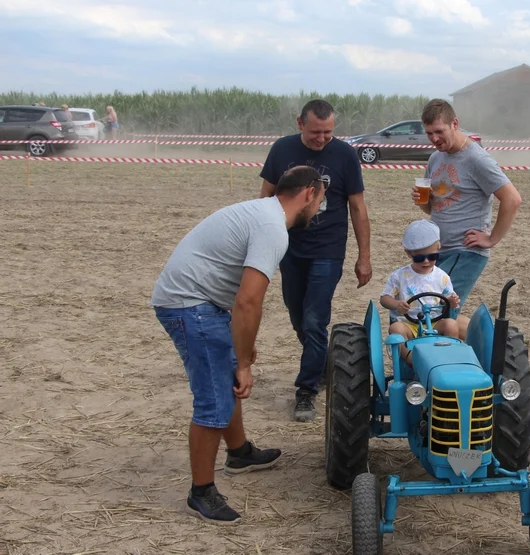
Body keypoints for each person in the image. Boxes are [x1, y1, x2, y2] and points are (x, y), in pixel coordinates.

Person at [151, 165, 327, 525]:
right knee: (214, 399)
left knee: (227, 374)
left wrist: (241, 349)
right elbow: (249, 301)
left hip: (202, 303)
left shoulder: (263, 212)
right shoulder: (272, 228)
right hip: (190, 305)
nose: (320, 208)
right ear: (309, 193)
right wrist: (244, 362)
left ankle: (240, 453)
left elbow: (238, 296)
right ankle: (201, 493)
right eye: (321, 199)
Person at [259, 99, 372, 422]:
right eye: (315, 133)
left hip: (328, 249)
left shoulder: (345, 155)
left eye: (328, 132)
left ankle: (306, 391)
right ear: (299, 123)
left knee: (314, 320)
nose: (322, 139)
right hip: (288, 247)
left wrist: (364, 256)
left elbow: (358, 208)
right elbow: (265, 198)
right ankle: (323, 366)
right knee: (297, 316)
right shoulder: (281, 150)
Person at [411, 99, 523, 339]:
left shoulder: (476, 159)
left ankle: (496, 346)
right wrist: (422, 200)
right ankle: (490, 342)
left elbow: (512, 199)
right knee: (428, 309)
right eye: (429, 133)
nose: (434, 139)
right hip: (439, 250)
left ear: (455, 124)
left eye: (439, 132)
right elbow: (433, 209)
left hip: (467, 251)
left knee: (441, 313)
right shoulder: (436, 159)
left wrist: (492, 238)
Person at [380, 220, 460, 364]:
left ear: (438, 249)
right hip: (408, 324)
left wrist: (451, 301)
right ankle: (410, 359)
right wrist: (397, 304)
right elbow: (384, 298)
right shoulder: (400, 276)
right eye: (419, 258)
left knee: (451, 325)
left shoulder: (442, 277)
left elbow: (448, 298)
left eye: (432, 257)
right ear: (408, 253)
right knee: (395, 328)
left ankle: (447, 358)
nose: (426, 262)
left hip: (435, 323)